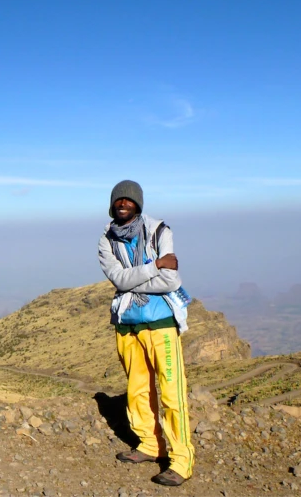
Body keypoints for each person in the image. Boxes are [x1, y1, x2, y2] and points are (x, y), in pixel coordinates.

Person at [98, 180, 194, 486]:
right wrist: (154, 266)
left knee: (171, 392)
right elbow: (118, 279)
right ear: (112, 205)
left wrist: (130, 280)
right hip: (127, 323)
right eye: (118, 200)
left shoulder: (159, 231)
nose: (122, 203)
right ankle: (150, 445)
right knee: (137, 389)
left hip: (161, 321)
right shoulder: (106, 239)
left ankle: (181, 461)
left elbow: (171, 282)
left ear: (138, 204)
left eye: (128, 200)